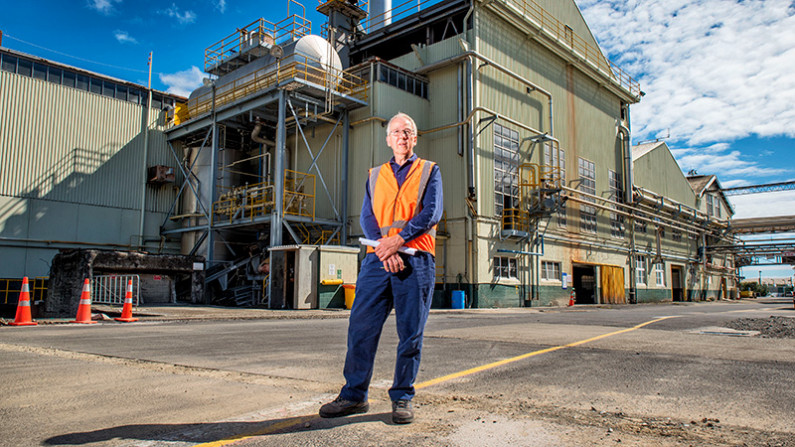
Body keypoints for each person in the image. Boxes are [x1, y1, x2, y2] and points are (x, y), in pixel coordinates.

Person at [319, 112, 443, 424]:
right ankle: (354, 394)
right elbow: (367, 218)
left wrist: (397, 240)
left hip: (416, 259)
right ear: (388, 139)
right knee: (361, 328)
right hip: (378, 261)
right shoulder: (375, 175)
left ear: (415, 138)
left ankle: (402, 397)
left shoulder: (430, 171)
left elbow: (432, 212)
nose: (402, 136)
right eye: (397, 131)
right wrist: (385, 249)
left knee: (410, 333)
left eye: (408, 131)